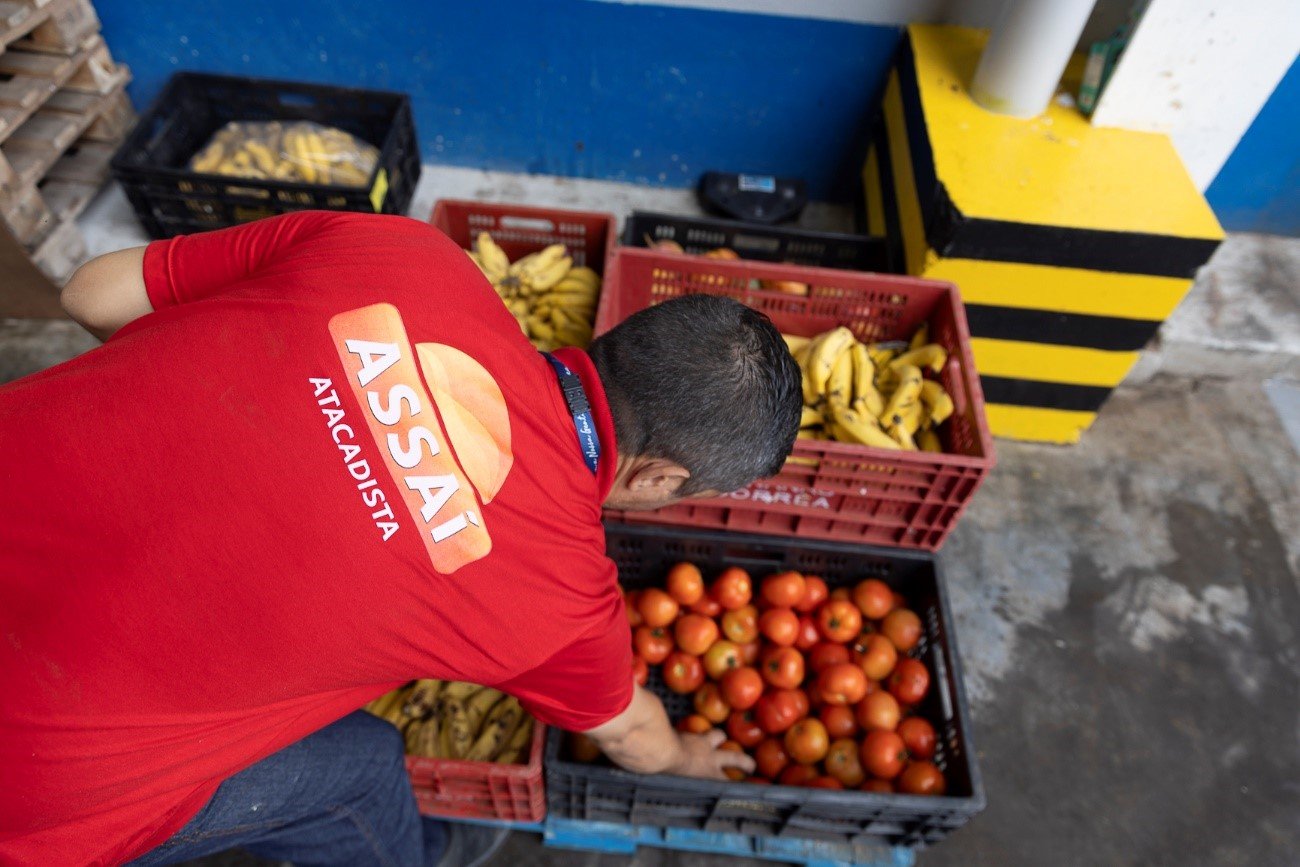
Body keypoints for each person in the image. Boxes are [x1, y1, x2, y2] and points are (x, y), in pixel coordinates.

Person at [0, 210, 802, 866]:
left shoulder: (406, 252)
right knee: (366, 770)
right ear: (660, 478)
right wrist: (692, 761)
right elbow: (629, 734)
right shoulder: (558, 599)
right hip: (27, 787)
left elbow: (90, 292)